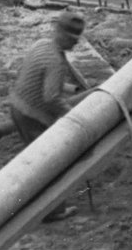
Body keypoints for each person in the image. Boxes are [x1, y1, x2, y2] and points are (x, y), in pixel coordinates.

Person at [9, 12, 89, 218]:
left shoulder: (42, 44)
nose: (74, 45)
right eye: (72, 40)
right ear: (62, 35)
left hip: (18, 105)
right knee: (49, 162)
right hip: (31, 115)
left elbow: (35, 75)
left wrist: (68, 90)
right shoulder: (55, 60)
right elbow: (51, 97)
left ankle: (30, 201)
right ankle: (52, 211)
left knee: (34, 158)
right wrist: (72, 115)